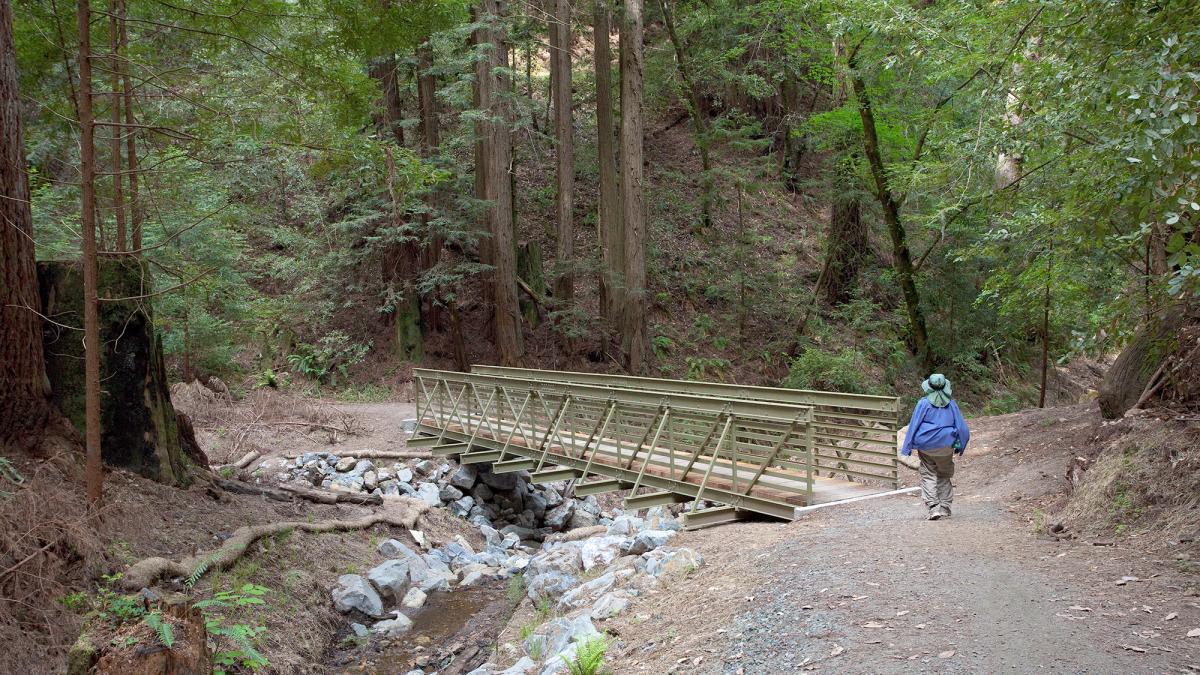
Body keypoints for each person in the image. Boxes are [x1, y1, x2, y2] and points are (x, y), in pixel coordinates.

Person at [900, 373, 970, 520]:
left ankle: (933, 508)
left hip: (926, 445)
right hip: (946, 445)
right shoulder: (952, 404)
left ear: (929, 387)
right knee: (944, 474)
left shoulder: (923, 403)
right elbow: (961, 428)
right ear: (946, 387)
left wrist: (907, 447)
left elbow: (914, 425)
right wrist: (959, 446)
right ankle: (945, 507)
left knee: (928, 474)